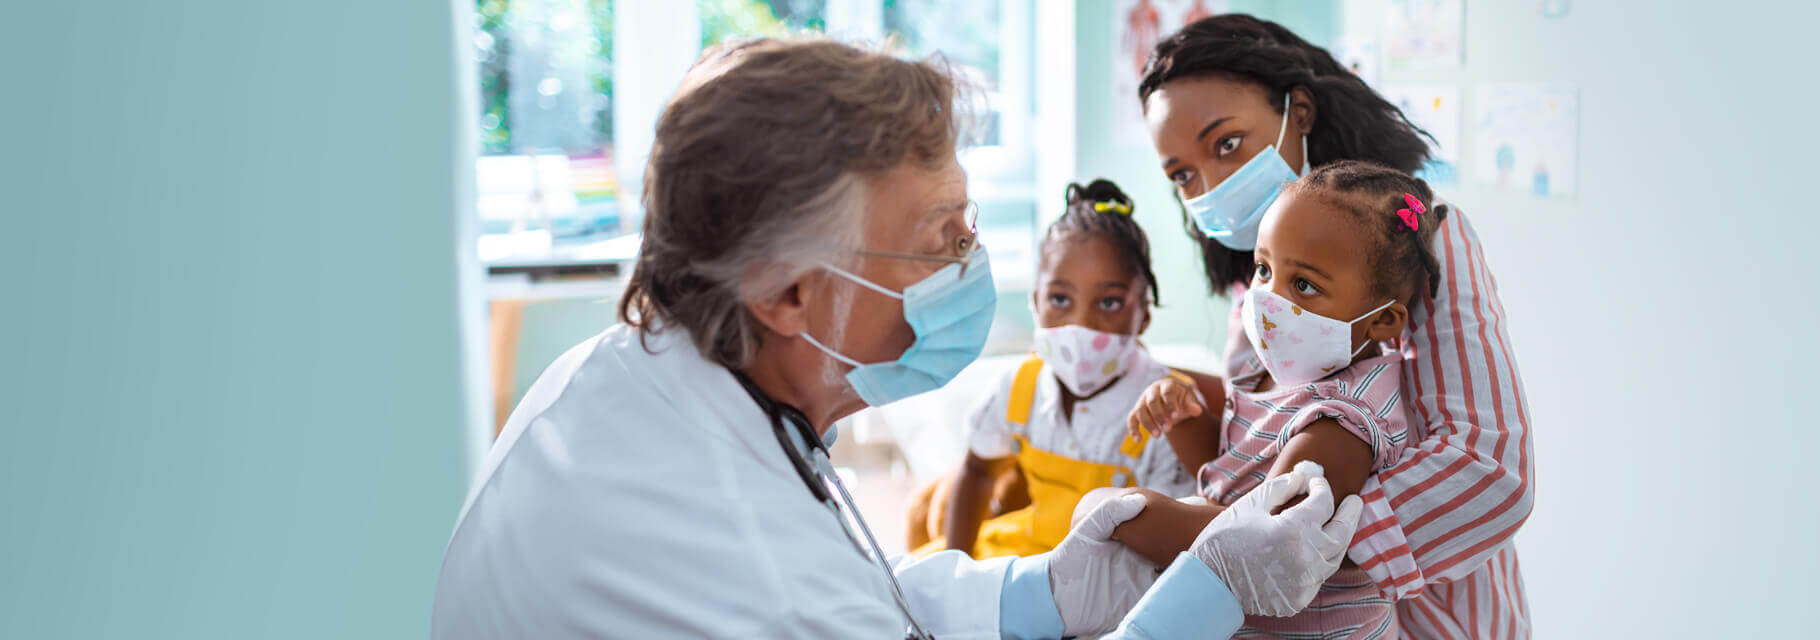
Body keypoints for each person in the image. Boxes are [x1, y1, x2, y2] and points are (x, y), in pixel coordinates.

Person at [430, 37, 1362, 639]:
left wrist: (1038, 590)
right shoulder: (749, 564)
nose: (971, 259)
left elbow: (858, 590)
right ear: (790, 292)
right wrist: (1201, 598)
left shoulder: (641, 374)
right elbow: (813, 601)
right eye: (942, 235)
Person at [1125, 14, 1535, 637]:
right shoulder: (1255, 283)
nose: (1211, 185)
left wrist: (1296, 544)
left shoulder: (1426, 243)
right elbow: (1272, 426)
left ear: (1302, 113)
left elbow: (1487, 469)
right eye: (1183, 174)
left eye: (1227, 144)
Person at [1096, 161, 1461, 638]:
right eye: (1264, 270)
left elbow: (1254, 545)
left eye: (1304, 285)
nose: (1269, 300)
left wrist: (1132, 513)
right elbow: (1231, 475)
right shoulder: (1276, 372)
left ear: (1383, 322)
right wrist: (1183, 418)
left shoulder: (1341, 425)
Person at [925, 180, 1196, 560]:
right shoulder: (1020, 387)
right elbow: (978, 472)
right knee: (908, 582)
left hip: (1112, 578)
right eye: (1060, 299)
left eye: (1110, 302)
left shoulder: (1166, 406)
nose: (1080, 324)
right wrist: (952, 566)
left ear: (1144, 315)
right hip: (1030, 551)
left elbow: (1176, 537)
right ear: (1036, 302)